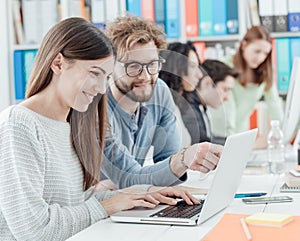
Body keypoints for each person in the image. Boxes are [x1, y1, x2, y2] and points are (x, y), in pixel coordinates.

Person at [0, 17, 200, 241]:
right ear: (58, 64)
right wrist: (107, 207)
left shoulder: (72, 123)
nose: (100, 88)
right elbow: (35, 230)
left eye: (105, 77)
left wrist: (143, 193)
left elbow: (79, 200)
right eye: (94, 73)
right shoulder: (19, 125)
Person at [100, 15, 223, 189]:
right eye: (133, 66)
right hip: (100, 209)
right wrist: (183, 159)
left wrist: (178, 163)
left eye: (152, 64)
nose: (145, 76)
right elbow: (129, 178)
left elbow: (168, 166)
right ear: (110, 66)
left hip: (134, 201)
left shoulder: (159, 90)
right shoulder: (97, 107)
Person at [209, 26, 283, 146]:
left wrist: (279, 134)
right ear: (244, 45)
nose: (260, 58)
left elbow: (274, 104)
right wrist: (240, 145)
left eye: (265, 53)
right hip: (223, 135)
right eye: (257, 51)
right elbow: (228, 112)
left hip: (242, 134)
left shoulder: (265, 72)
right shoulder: (226, 66)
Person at [159, 42, 237, 145]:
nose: (200, 74)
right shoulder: (168, 106)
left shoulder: (182, 103)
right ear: (176, 67)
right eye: (192, 66)